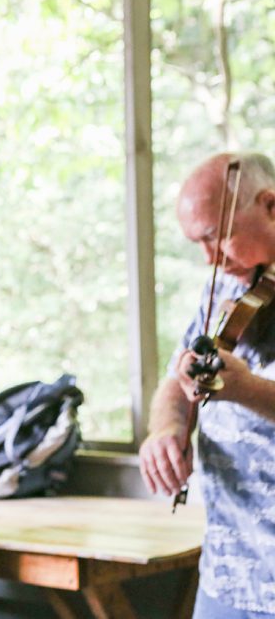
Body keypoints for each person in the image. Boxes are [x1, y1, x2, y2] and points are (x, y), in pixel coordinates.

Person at [140, 152, 275, 618]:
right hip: (227, 575)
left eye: (218, 236)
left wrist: (245, 389)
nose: (209, 258)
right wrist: (166, 428)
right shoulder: (225, 288)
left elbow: (236, 386)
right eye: (197, 242)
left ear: (270, 206)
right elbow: (179, 379)